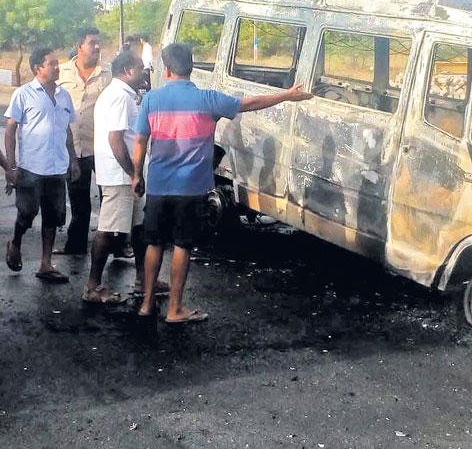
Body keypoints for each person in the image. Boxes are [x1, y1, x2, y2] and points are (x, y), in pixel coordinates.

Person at [134, 43, 313, 323]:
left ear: (166, 69)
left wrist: (137, 174)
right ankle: (175, 308)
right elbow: (249, 104)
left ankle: (146, 304)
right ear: (191, 68)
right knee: (182, 245)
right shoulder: (208, 99)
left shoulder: (151, 100)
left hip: (158, 184)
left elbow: (141, 140)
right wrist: (287, 96)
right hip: (190, 188)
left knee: (154, 243)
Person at [84, 51, 169, 303]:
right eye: (141, 68)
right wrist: (133, 173)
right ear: (127, 70)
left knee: (139, 229)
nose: (145, 72)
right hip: (120, 176)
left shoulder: (122, 95)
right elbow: (115, 139)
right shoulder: (119, 97)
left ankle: (143, 279)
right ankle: (93, 287)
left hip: (127, 175)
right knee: (109, 231)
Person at [5, 48, 81, 281]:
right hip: (31, 167)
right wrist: (11, 166)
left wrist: (73, 160)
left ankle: (45, 264)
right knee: (27, 214)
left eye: (57, 63)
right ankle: (15, 242)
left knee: (53, 217)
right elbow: (10, 130)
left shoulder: (64, 95)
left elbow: (67, 129)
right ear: (38, 68)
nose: (57, 67)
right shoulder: (24, 93)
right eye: (52, 64)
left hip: (57, 167)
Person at [56, 27, 111, 255]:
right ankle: (76, 245)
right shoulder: (61, 72)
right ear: (79, 46)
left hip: (103, 147)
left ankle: (116, 245)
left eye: (99, 43)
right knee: (79, 202)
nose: (97, 47)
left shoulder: (107, 73)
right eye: (92, 43)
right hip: (74, 148)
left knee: (109, 197)